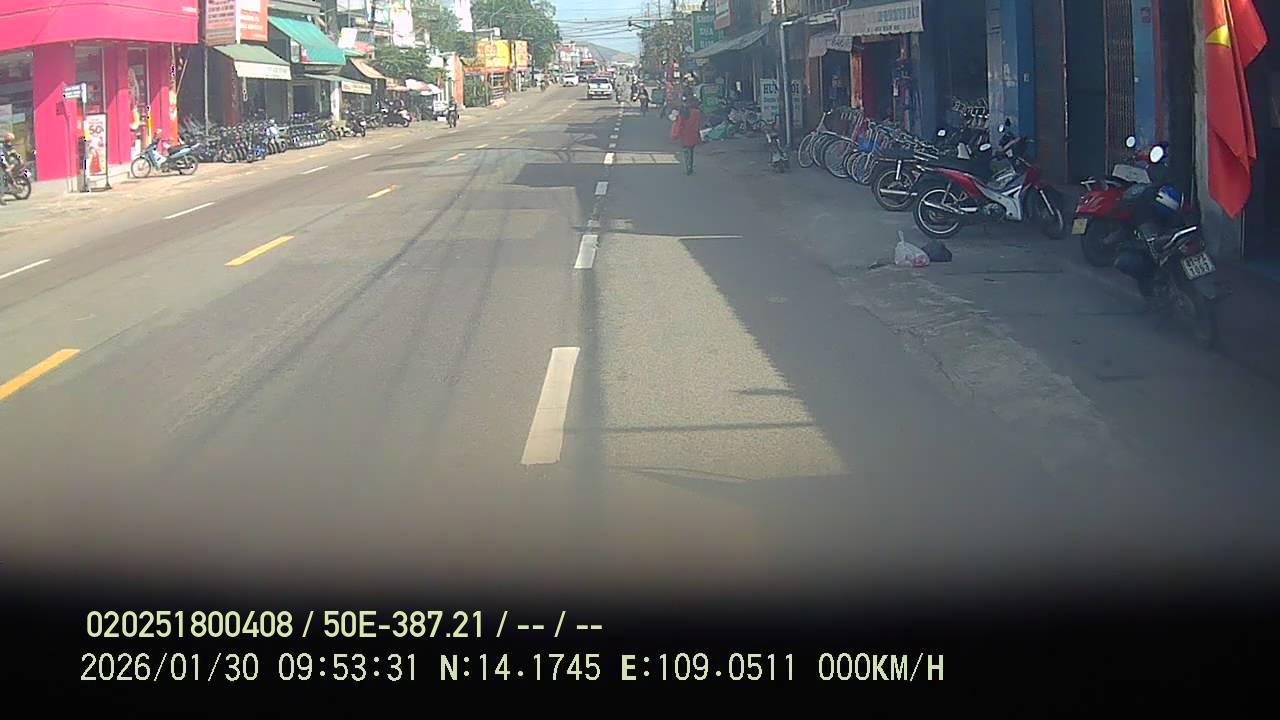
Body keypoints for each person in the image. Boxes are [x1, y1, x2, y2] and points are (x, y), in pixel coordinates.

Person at [673, 95, 703, 176]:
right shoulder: (697, 112)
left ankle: (687, 166)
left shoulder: (684, 111)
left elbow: (679, 123)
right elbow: (699, 124)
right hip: (693, 133)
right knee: (691, 150)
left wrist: (676, 133)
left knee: (686, 151)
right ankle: (690, 167)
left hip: (684, 133)